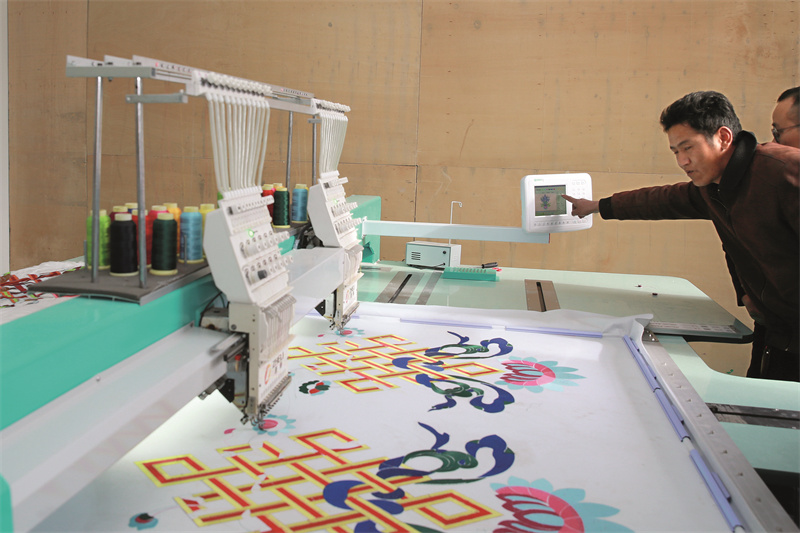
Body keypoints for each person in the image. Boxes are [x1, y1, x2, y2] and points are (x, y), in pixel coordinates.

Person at [564, 91, 799, 381]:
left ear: (723, 138)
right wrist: (597, 206)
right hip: (775, 330)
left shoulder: (784, 171)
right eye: (675, 151)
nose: (682, 161)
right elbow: (659, 200)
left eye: (688, 148)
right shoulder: (713, 188)